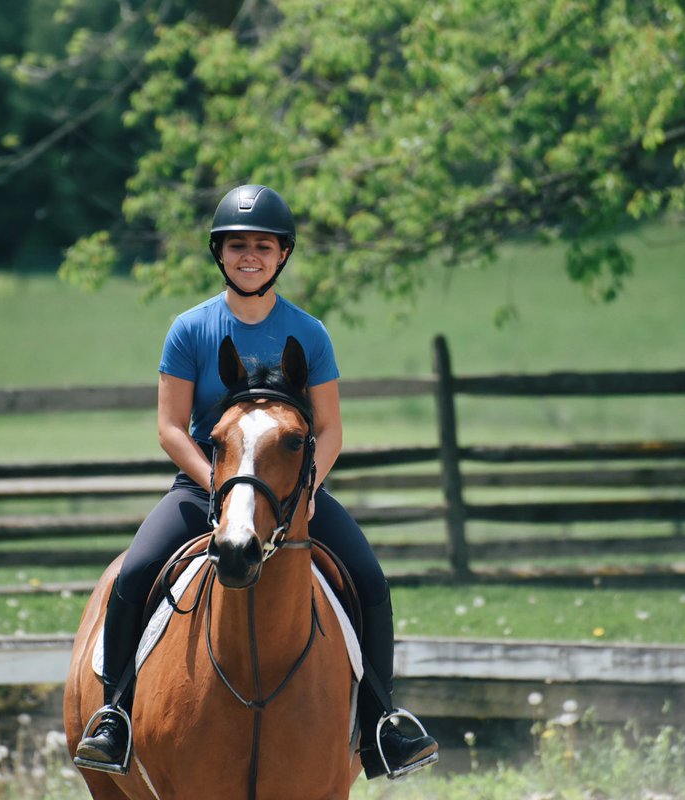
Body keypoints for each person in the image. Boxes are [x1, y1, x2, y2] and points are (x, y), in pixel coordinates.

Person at [74, 184, 439, 779]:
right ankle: (114, 715)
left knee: (370, 579)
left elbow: (330, 427)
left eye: (263, 246)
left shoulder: (310, 333)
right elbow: (170, 428)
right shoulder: (190, 329)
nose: (251, 256)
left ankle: (381, 723)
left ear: (283, 254)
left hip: (290, 492)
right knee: (136, 571)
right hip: (205, 486)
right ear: (220, 253)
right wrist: (221, 491)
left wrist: (310, 489)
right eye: (237, 245)